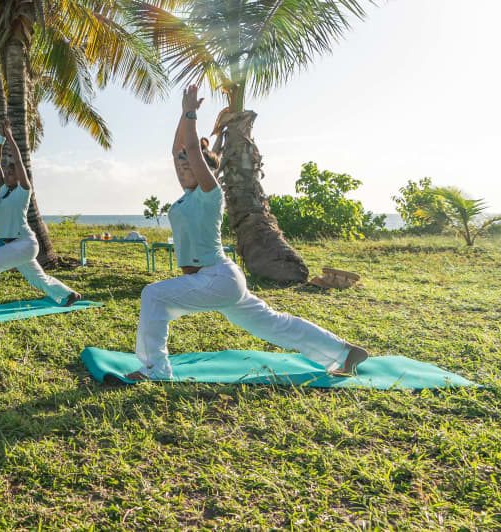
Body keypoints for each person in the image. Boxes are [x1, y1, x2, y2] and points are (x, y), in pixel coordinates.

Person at [128, 84, 369, 381]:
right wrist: (182, 115)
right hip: (220, 280)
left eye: (188, 166)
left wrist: (190, 112)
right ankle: (345, 352)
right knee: (274, 324)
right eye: (179, 167)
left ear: (204, 169)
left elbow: (191, 149)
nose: (181, 170)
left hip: (214, 277)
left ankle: (155, 369)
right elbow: (179, 149)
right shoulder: (189, 195)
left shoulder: (209, 193)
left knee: (154, 296)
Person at [0, 125, 81, 322]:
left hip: (25, 243)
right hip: (14, 246)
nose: (8, 174)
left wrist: (10, 136)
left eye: (12, 172)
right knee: (37, 278)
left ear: (20, 176)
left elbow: (18, 160)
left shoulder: (23, 191)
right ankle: (70, 294)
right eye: (7, 172)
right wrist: (0, 140)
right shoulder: (3, 191)